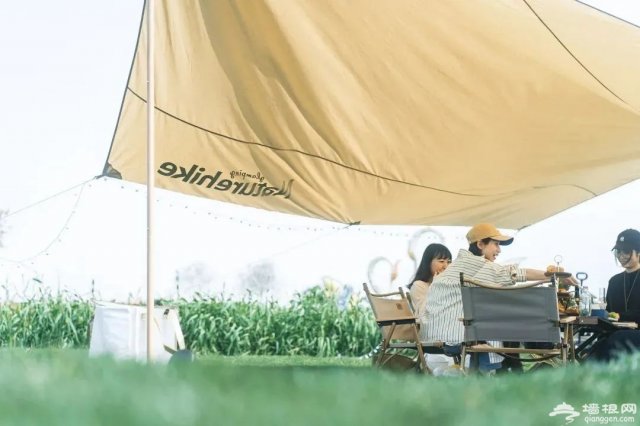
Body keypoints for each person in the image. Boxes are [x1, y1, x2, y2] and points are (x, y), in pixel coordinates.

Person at [423, 223, 563, 373]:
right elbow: (515, 273)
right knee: (509, 327)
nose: (499, 250)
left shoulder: (455, 267)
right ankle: (543, 360)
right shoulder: (478, 265)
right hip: (457, 338)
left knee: (499, 328)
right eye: (496, 244)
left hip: (431, 338)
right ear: (480, 244)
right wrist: (553, 275)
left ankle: (508, 374)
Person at [589, 229, 640, 362]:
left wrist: (621, 316)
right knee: (597, 346)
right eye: (618, 251)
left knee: (615, 340)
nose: (621, 255)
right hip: (615, 333)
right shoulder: (614, 281)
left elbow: (617, 314)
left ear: (639, 252)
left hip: (631, 334)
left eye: (627, 251)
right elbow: (609, 311)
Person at [407, 243, 452, 319]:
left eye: (449, 262)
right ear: (428, 263)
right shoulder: (419, 285)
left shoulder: (449, 285)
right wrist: (437, 284)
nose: (446, 266)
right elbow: (424, 315)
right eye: (441, 261)